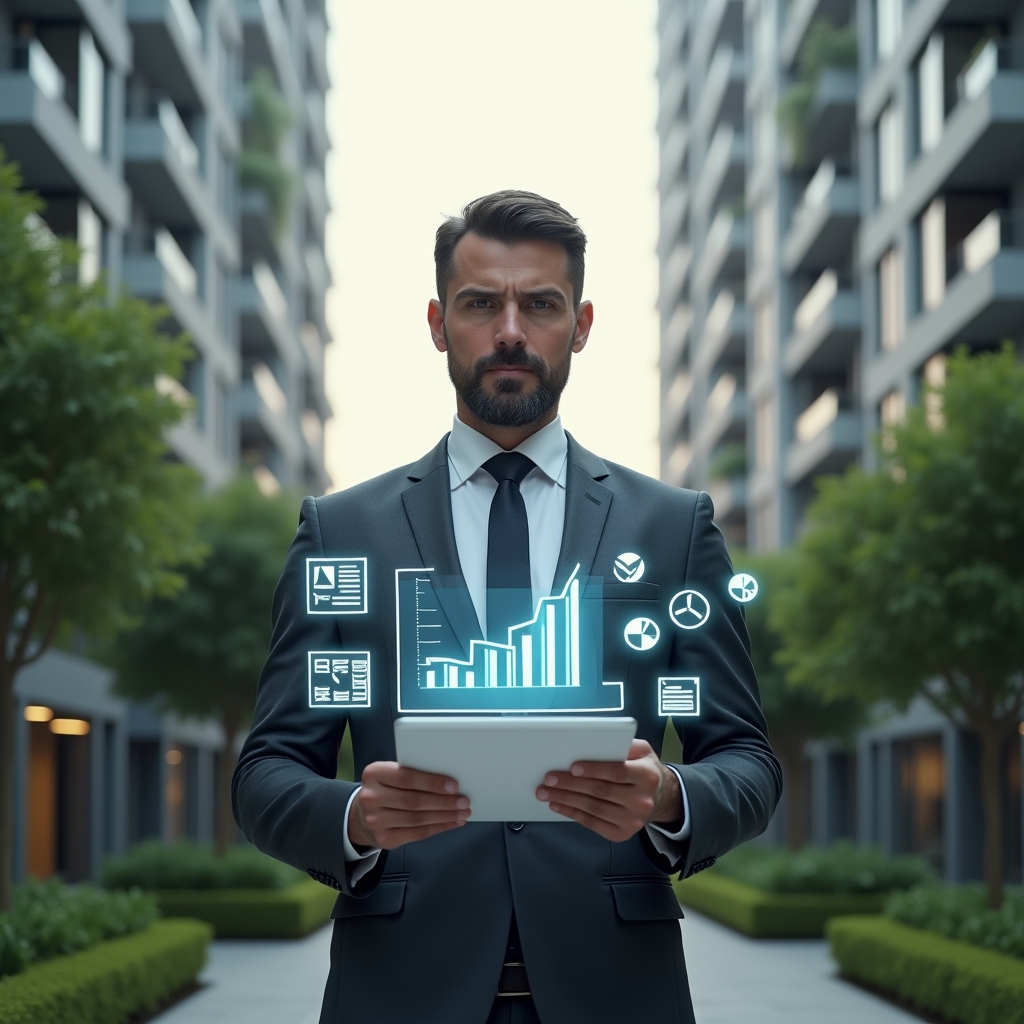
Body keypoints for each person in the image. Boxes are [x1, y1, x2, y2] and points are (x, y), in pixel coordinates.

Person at [233, 190, 781, 1024]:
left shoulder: (672, 531)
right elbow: (268, 772)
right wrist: (356, 815)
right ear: (437, 321)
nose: (511, 331)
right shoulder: (339, 531)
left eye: (541, 304)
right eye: (482, 303)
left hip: (618, 994)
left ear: (583, 323)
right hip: (400, 993)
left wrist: (669, 796)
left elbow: (745, 758)